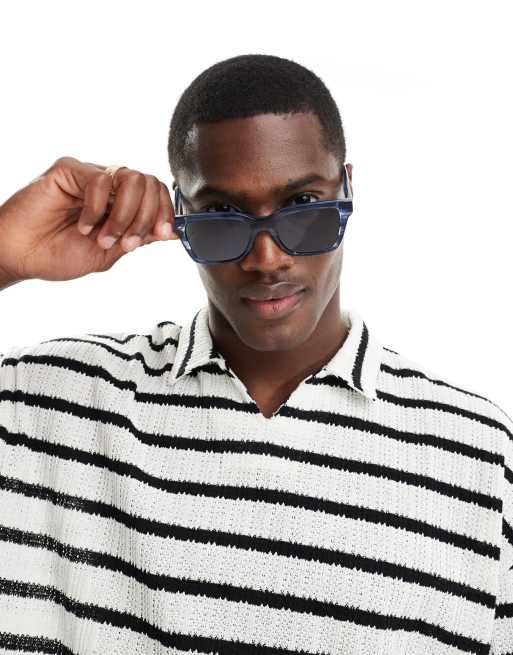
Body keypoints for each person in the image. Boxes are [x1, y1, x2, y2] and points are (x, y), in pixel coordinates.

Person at [0, 54, 511, 655]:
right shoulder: (50, 407)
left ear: (347, 189)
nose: (266, 258)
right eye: (221, 215)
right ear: (179, 214)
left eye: (303, 203)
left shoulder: (478, 457)